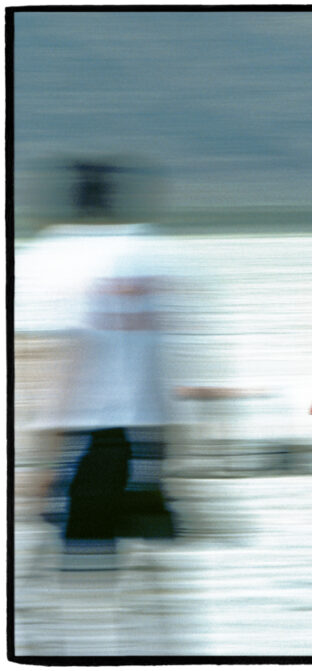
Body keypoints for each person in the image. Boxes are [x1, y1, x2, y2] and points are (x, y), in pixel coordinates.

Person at [17, 162, 177, 569]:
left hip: (88, 437)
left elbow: (59, 367)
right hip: (148, 438)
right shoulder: (153, 255)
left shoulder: (56, 258)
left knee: (80, 567)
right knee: (137, 568)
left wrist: (40, 463)